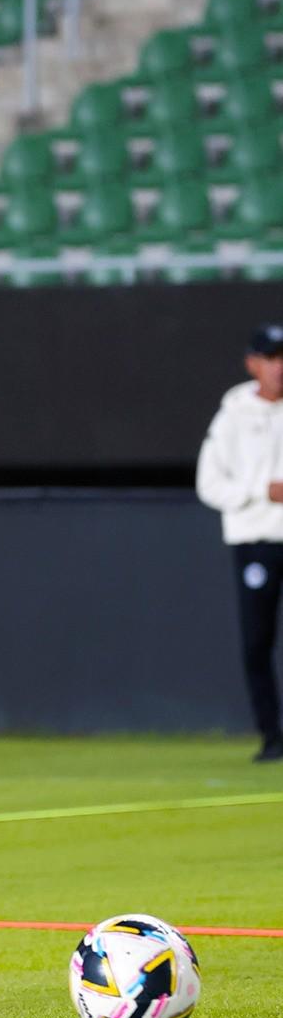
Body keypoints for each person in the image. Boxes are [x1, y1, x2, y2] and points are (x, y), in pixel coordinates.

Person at [196, 322, 283, 764]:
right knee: (257, 642)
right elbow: (208, 483)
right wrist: (259, 490)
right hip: (256, 541)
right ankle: (273, 736)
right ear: (253, 364)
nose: (279, 367)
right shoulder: (233, 416)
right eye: (271, 358)